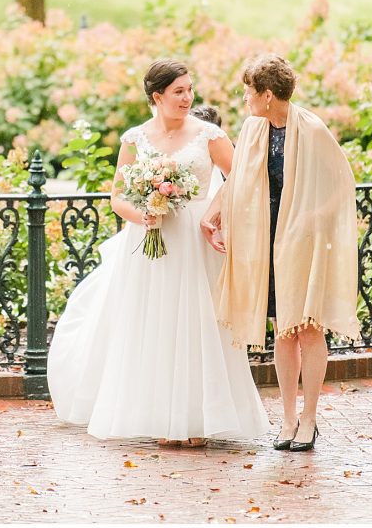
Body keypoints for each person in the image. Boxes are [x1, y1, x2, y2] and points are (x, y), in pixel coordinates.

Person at [48, 59, 270, 447]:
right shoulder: (135, 139)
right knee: (156, 326)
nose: (188, 98)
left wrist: (213, 212)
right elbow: (117, 196)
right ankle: (162, 420)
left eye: (190, 90)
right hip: (150, 244)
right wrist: (144, 214)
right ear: (157, 96)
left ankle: (199, 421)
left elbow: (244, 176)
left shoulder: (209, 135)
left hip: (196, 242)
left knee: (198, 326)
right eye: (179, 92)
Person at [201, 53, 360, 452]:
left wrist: (311, 217)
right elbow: (239, 178)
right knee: (281, 330)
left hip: (301, 241)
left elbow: (342, 185)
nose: (245, 101)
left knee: (306, 327)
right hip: (263, 236)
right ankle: (287, 418)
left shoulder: (312, 129)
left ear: (268, 95)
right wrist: (214, 213)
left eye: (249, 94)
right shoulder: (255, 129)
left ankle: (310, 418)